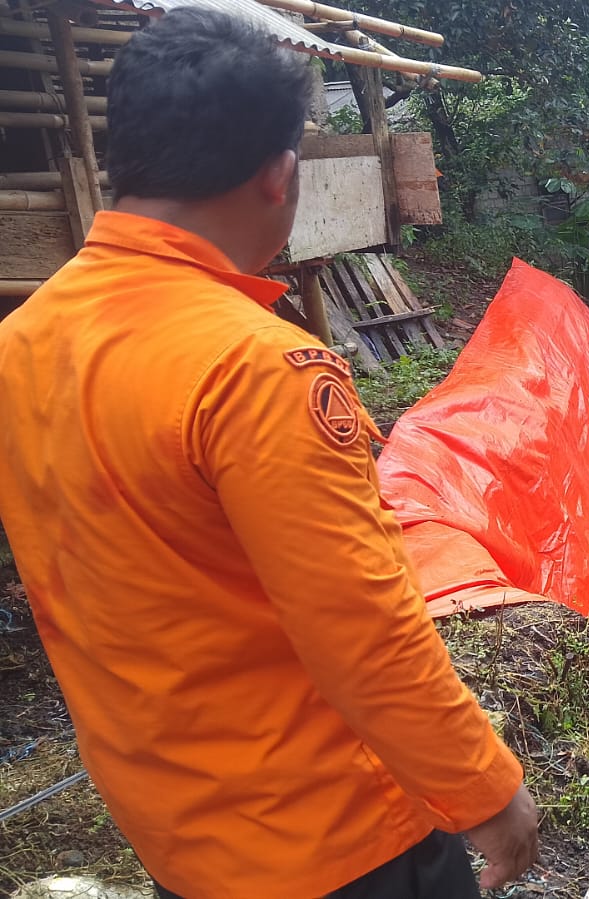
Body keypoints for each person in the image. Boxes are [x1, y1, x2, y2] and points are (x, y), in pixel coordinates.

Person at [0, 11, 539, 899]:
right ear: (278, 177)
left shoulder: (25, 341)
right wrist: (484, 788)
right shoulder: (252, 369)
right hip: (331, 839)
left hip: (179, 831)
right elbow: (360, 626)